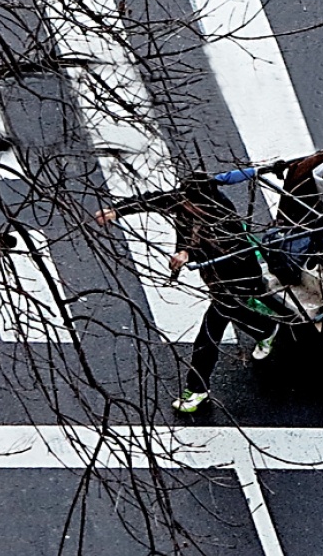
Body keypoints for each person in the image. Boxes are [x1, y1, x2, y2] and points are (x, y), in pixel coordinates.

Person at [95, 169, 284, 414]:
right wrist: (117, 210)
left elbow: (220, 252)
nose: (182, 205)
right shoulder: (185, 199)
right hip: (216, 279)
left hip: (237, 277)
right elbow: (153, 200)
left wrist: (188, 254)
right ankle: (266, 328)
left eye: (189, 203)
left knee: (209, 333)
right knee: (233, 313)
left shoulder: (223, 217)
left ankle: (197, 389)